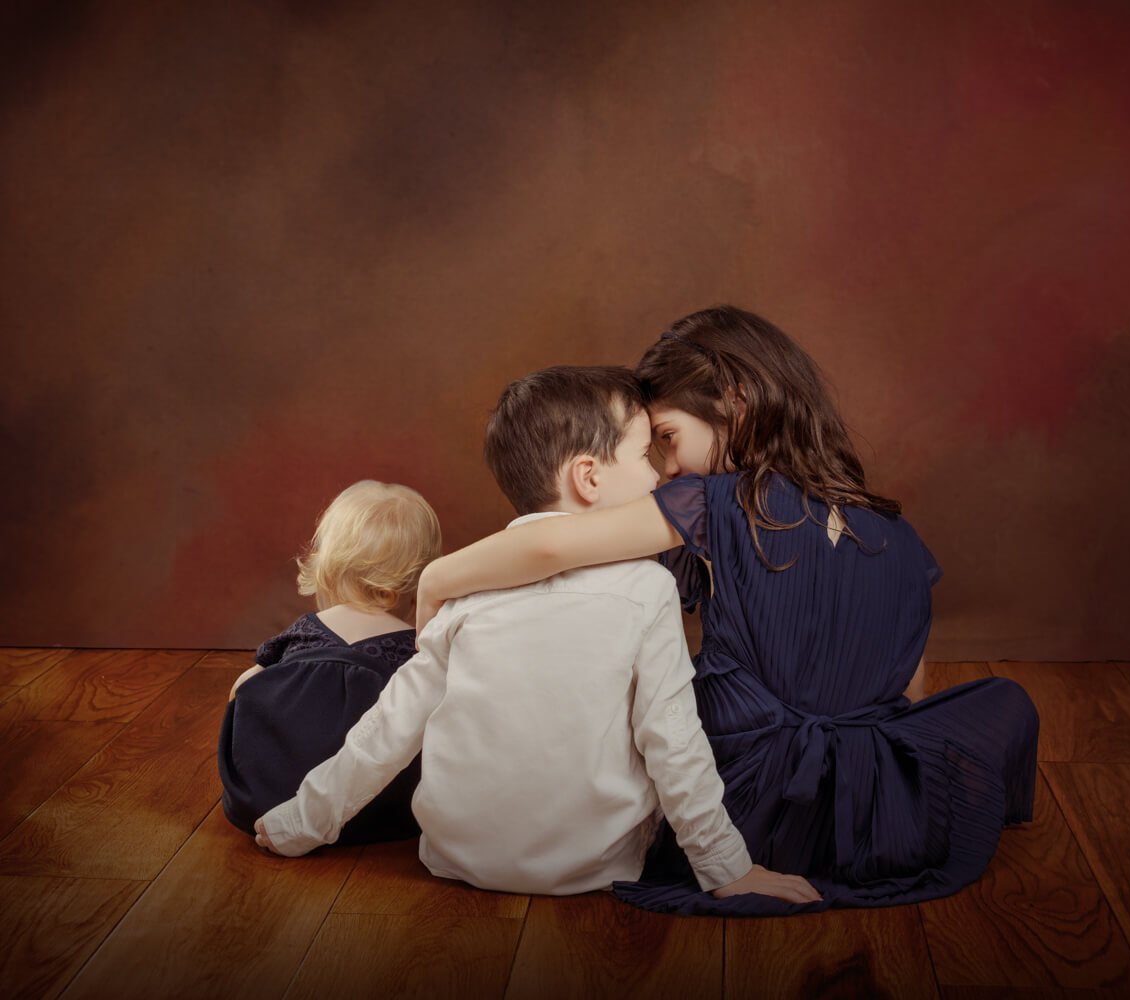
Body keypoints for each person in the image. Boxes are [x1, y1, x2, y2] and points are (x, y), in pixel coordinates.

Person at [415, 307, 1040, 915]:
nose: (668, 466)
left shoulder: (716, 499)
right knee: (995, 703)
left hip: (753, 809)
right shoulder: (895, 532)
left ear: (735, 398)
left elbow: (548, 543)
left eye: (668, 437)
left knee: (645, 701)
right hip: (880, 815)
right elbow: (909, 683)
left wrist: (434, 581)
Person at [255, 366, 818, 905]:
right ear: (589, 476)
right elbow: (674, 741)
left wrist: (300, 823)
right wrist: (728, 868)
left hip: (458, 856)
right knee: (657, 732)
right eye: (644, 454)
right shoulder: (647, 588)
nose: (658, 474)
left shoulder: (468, 592)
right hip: (595, 864)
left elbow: (387, 729)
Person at [218, 479, 441, 844]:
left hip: (265, 801)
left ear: (327, 564)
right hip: (385, 810)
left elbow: (245, 686)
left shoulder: (303, 633)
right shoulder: (414, 650)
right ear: (419, 581)